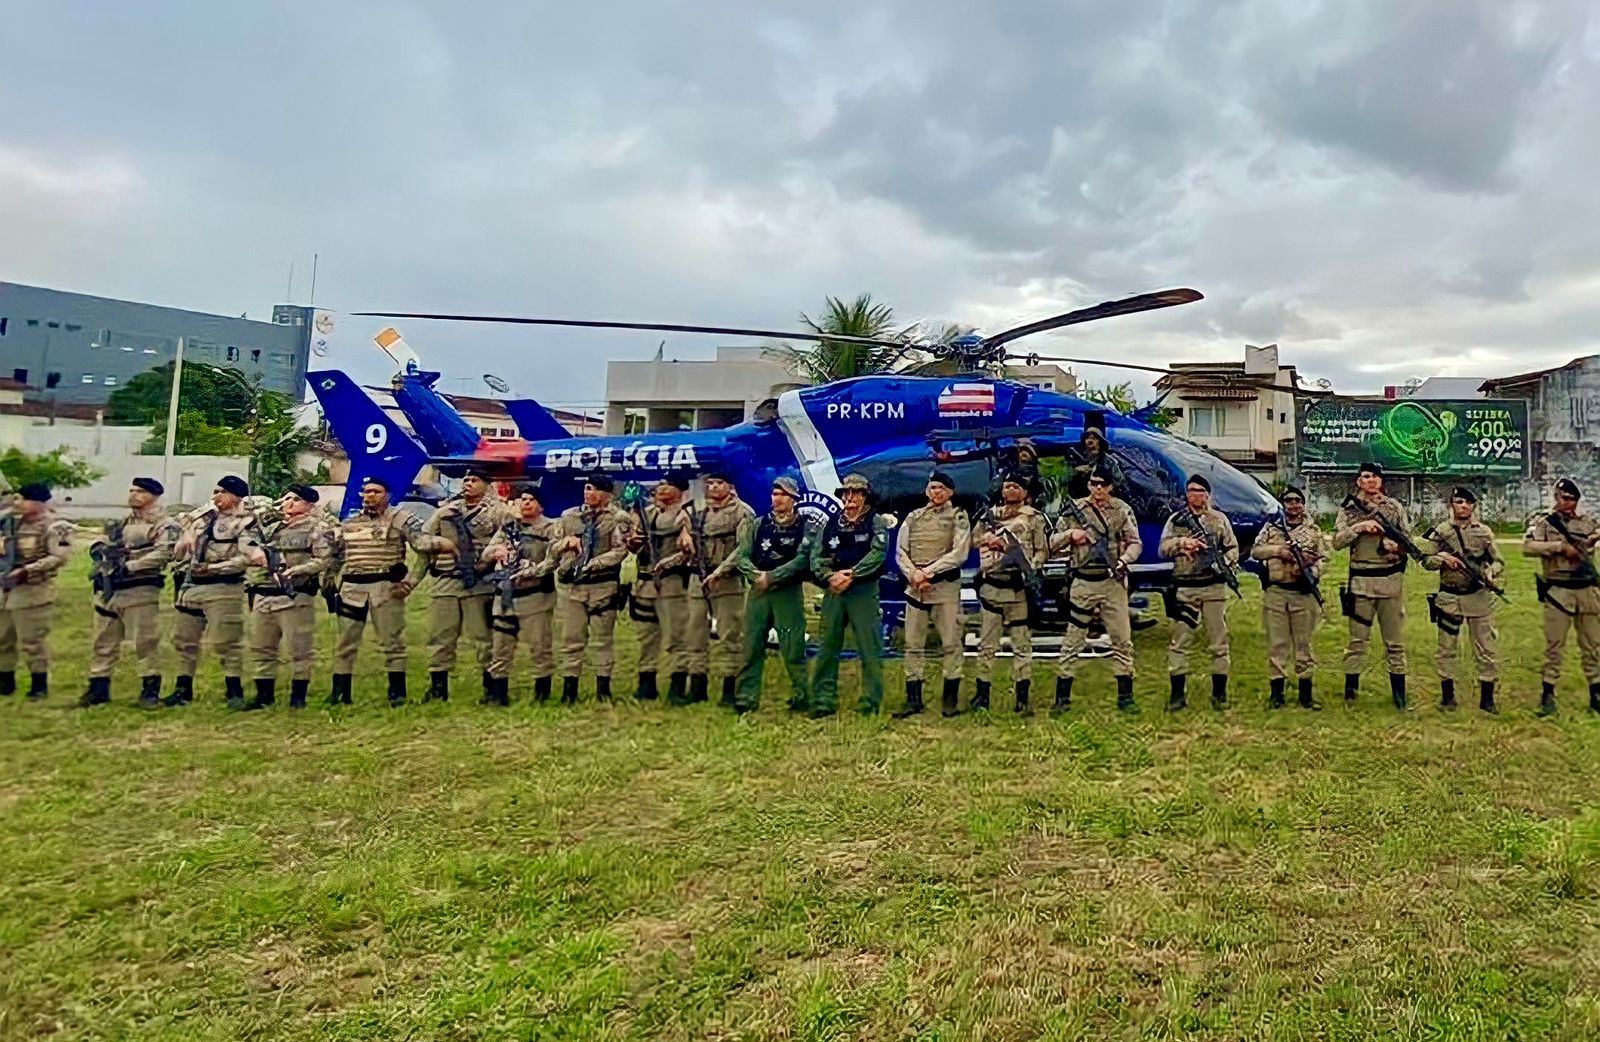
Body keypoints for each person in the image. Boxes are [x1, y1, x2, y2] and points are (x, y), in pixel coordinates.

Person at [329, 476, 446, 707]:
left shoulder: (400, 519)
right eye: (366, 492)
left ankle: (397, 694)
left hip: (385, 586)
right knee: (345, 642)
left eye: (376, 492)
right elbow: (336, 556)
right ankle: (340, 694)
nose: (370, 496)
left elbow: (421, 546)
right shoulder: (351, 521)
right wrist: (329, 585)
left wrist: (412, 581)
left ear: (388, 495)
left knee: (392, 642)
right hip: (352, 588)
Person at [410, 468, 510, 703]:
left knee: (483, 638)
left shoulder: (499, 512)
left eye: (474, 480)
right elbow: (421, 540)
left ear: (487, 484)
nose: (468, 483)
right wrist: (439, 542)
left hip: (479, 583)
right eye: (465, 480)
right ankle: (437, 689)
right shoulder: (446, 511)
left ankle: (493, 689)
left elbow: (508, 539)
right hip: (445, 581)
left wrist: (491, 560)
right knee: (439, 636)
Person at [82, 478, 181, 707]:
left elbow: (165, 553)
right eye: (131, 490)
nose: (133, 494)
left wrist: (130, 565)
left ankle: (150, 691)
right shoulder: (119, 522)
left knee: (145, 641)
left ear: (154, 496)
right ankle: (98, 688)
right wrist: (101, 552)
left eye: (140, 491)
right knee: (103, 641)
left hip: (140, 589)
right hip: (110, 590)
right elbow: (100, 543)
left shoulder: (165, 524)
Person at [1052, 465, 1143, 712]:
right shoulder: (1075, 510)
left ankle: (1126, 696)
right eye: (1093, 484)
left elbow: (1135, 543)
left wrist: (1124, 561)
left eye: (1102, 484)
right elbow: (1051, 542)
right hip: (1082, 582)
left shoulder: (1121, 510)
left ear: (1111, 487)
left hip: (1112, 582)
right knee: (1073, 639)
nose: (1097, 489)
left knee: (1122, 640)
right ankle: (1062, 697)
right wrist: (1071, 535)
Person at [241, 484, 337, 710]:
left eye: (294, 499)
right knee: (262, 646)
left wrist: (298, 570)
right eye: (285, 499)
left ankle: (298, 697)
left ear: (308, 503)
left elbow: (325, 559)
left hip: (295, 595)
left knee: (299, 647)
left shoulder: (318, 527)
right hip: (264, 592)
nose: (287, 503)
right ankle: (264, 696)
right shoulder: (273, 527)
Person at [167, 475, 257, 709]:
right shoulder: (201, 522)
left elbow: (246, 558)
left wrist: (214, 568)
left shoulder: (245, 524)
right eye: (214, 491)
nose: (214, 496)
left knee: (227, 641)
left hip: (224, 587)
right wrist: (183, 543)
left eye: (220, 492)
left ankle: (234, 691)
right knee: (184, 639)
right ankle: (182, 689)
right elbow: (179, 555)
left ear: (235, 496)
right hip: (192, 585)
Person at [808, 473, 892, 717]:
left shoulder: (876, 523)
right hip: (834, 590)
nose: (850, 498)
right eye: (846, 493)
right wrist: (828, 576)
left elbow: (878, 554)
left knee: (869, 647)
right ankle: (823, 699)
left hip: (863, 591)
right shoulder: (830, 523)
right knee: (827, 645)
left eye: (856, 493)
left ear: (865, 497)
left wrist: (852, 574)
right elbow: (816, 555)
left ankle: (871, 701)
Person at [730, 477, 815, 714]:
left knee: (792, 647)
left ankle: (802, 696)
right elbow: (742, 555)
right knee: (752, 645)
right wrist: (756, 575)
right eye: (775, 494)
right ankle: (747, 697)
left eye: (783, 495)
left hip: (787, 592)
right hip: (758, 592)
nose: (777, 499)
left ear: (794, 500)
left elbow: (802, 558)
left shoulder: (805, 526)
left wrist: (774, 577)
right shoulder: (757, 524)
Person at [1333, 461, 1414, 709]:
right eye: (1366, 476)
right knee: (1357, 641)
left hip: (1390, 583)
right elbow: (1337, 542)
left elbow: (1408, 541)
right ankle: (1351, 691)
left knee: (1395, 642)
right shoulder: (1348, 509)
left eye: (1375, 477)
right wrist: (1358, 528)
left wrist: (1395, 546)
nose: (1371, 481)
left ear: (1381, 481)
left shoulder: (1394, 507)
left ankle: (1399, 695)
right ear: (1359, 481)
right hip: (1361, 584)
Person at [893, 470, 971, 717]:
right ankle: (913, 700)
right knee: (913, 645)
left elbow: (959, 554)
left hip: (944, 590)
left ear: (950, 492)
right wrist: (914, 574)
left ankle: (950, 702)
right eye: (932, 488)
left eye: (940, 488)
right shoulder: (914, 517)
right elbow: (900, 550)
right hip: (916, 591)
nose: (935, 492)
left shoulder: (958, 516)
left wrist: (928, 572)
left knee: (951, 643)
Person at [1158, 474, 1239, 710]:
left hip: (1213, 587)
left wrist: (1222, 561)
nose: (1196, 495)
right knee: (1180, 641)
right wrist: (1183, 543)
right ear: (1186, 494)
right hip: (1185, 587)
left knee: (1218, 641)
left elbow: (1233, 547)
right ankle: (1177, 696)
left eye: (1200, 491)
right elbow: (1162, 549)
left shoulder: (1218, 520)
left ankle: (1219, 694)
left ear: (1207, 494)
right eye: (1191, 490)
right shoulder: (1176, 520)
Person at [971, 471, 1050, 712]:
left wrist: (1030, 567)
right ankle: (982, 695)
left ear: (1025, 492)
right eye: (1006, 486)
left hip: (1018, 589)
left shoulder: (1035, 518)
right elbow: (973, 540)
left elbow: (1042, 551)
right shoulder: (989, 515)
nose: (1010, 490)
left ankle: (1022, 697)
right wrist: (986, 538)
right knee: (987, 645)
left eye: (1016, 486)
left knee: (1021, 644)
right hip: (993, 587)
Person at [1420, 487, 1503, 713]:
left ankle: (1487, 699)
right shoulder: (1441, 531)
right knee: (1446, 648)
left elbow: (1498, 561)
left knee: (1486, 648)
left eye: (1467, 503)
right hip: (1449, 598)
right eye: (1458, 502)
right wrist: (1442, 559)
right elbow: (1426, 561)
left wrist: (1491, 574)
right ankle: (1448, 698)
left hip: (1478, 598)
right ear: (1451, 505)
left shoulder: (1484, 532)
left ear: (1473, 506)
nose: (1463, 506)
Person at [1522, 478, 1600, 715]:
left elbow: (1595, 533)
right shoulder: (1546, 523)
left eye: (1572, 498)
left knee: (1593, 645)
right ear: (1556, 498)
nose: (1568, 502)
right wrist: (1558, 547)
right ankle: (1548, 694)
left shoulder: (1587, 522)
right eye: (1564, 497)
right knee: (1555, 646)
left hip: (1587, 590)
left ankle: (1596, 693)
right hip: (1559, 591)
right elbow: (1528, 547)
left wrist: (1593, 538)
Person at [553, 475, 631, 705]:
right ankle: (569, 689)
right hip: (573, 588)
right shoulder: (570, 516)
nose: (589, 493)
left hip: (602, 585)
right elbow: (554, 547)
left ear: (607, 493)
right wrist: (565, 543)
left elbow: (620, 550)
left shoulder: (618, 518)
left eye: (595, 489)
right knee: (571, 638)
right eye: (587, 488)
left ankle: (603, 689)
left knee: (602, 639)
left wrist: (592, 565)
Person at [1249, 486, 1328, 710]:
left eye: (1297, 501)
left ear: (1303, 504)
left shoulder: (1313, 531)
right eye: (1289, 501)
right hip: (1276, 591)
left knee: (1304, 644)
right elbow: (1255, 551)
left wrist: (1312, 574)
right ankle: (1277, 695)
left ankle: (1305, 694)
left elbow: (1324, 558)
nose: (1293, 505)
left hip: (1303, 594)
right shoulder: (1272, 528)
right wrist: (1278, 551)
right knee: (1278, 644)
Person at [482, 485, 560, 706]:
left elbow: (552, 561)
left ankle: (542, 694)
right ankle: (498, 694)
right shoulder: (508, 527)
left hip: (535, 596)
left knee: (540, 646)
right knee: (501, 646)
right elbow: (487, 551)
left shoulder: (551, 528)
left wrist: (530, 570)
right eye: (523, 499)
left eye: (531, 499)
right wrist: (496, 551)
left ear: (540, 505)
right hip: (505, 597)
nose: (526, 503)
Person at [0, 484, 74, 700]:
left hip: (33, 589)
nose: (17, 504)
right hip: (6, 588)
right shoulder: (9, 523)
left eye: (22, 499)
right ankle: (5, 681)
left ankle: (38, 684)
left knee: (32, 640)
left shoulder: (58, 527)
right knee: (2, 636)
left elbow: (59, 557)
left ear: (38, 502)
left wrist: (28, 570)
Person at [689, 470, 756, 708]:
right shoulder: (700, 512)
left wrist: (720, 572)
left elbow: (743, 550)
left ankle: (730, 688)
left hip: (727, 580)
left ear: (730, 486)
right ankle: (697, 686)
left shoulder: (743, 512)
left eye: (720, 483)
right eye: (711, 483)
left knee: (730, 635)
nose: (714, 488)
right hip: (699, 578)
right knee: (695, 633)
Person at [629, 477, 696, 704]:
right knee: (647, 636)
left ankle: (678, 686)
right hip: (645, 583)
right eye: (660, 485)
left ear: (679, 490)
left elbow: (689, 548)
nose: (661, 489)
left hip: (672, 583)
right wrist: (633, 541)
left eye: (668, 485)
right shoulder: (647, 513)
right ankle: (646, 682)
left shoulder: (685, 515)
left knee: (677, 636)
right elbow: (634, 544)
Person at [1068, 425, 1126, 499]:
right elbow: (1064, 482)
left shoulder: (1109, 463)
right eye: (1087, 438)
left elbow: (1121, 487)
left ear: (1101, 443)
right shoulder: (1076, 460)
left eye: (1094, 438)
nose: (1090, 441)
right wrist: (1075, 472)